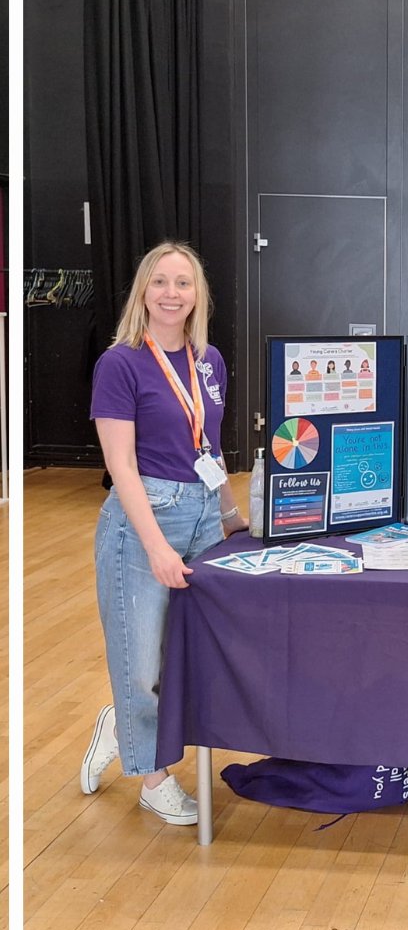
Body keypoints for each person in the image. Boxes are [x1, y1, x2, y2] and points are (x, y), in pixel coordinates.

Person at [81, 242, 247, 825]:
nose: (172, 294)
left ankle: (117, 722)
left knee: (187, 651)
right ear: (142, 292)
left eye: (183, 283)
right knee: (142, 664)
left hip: (202, 512)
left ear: (198, 294)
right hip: (143, 519)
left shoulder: (210, 360)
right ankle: (153, 778)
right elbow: (121, 467)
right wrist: (154, 545)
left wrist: (230, 515)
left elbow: (211, 447)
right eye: (160, 282)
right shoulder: (120, 364)